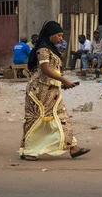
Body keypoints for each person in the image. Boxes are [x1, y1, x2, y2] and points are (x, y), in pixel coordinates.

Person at [20, 21, 90, 161]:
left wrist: (60, 82)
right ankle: (29, 150)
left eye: (61, 35)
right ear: (50, 35)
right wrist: (64, 80)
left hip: (52, 90)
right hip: (39, 91)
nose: (60, 38)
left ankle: (72, 147)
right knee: (37, 119)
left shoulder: (51, 49)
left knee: (62, 117)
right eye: (58, 35)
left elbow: (53, 71)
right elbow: (45, 70)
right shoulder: (43, 50)